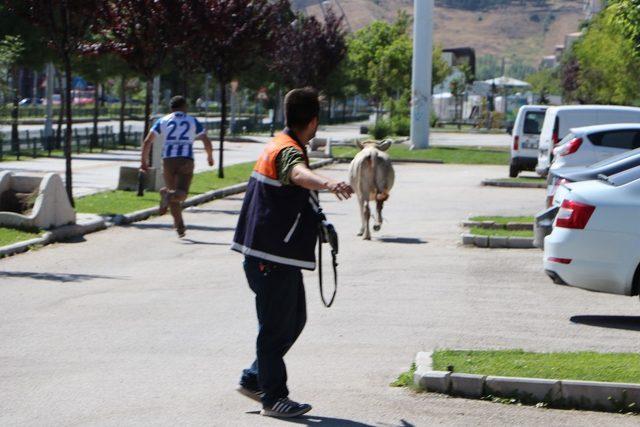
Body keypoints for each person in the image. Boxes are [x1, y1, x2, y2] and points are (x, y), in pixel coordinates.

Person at [232, 87, 353, 418]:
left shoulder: (280, 143)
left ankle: (255, 378)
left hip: (271, 255)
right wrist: (329, 183)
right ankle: (273, 398)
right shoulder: (287, 151)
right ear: (313, 122)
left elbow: (292, 192)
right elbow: (297, 174)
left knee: (293, 321)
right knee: (274, 328)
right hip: (269, 258)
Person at [140, 96, 214, 237]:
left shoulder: (163, 120)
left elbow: (147, 141)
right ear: (185, 107)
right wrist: (210, 156)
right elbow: (205, 139)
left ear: (171, 108)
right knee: (181, 194)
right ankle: (166, 195)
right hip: (186, 159)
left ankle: (180, 227)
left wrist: (143, 162)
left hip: (167, 160)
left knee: (173, 193)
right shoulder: (192, 120)